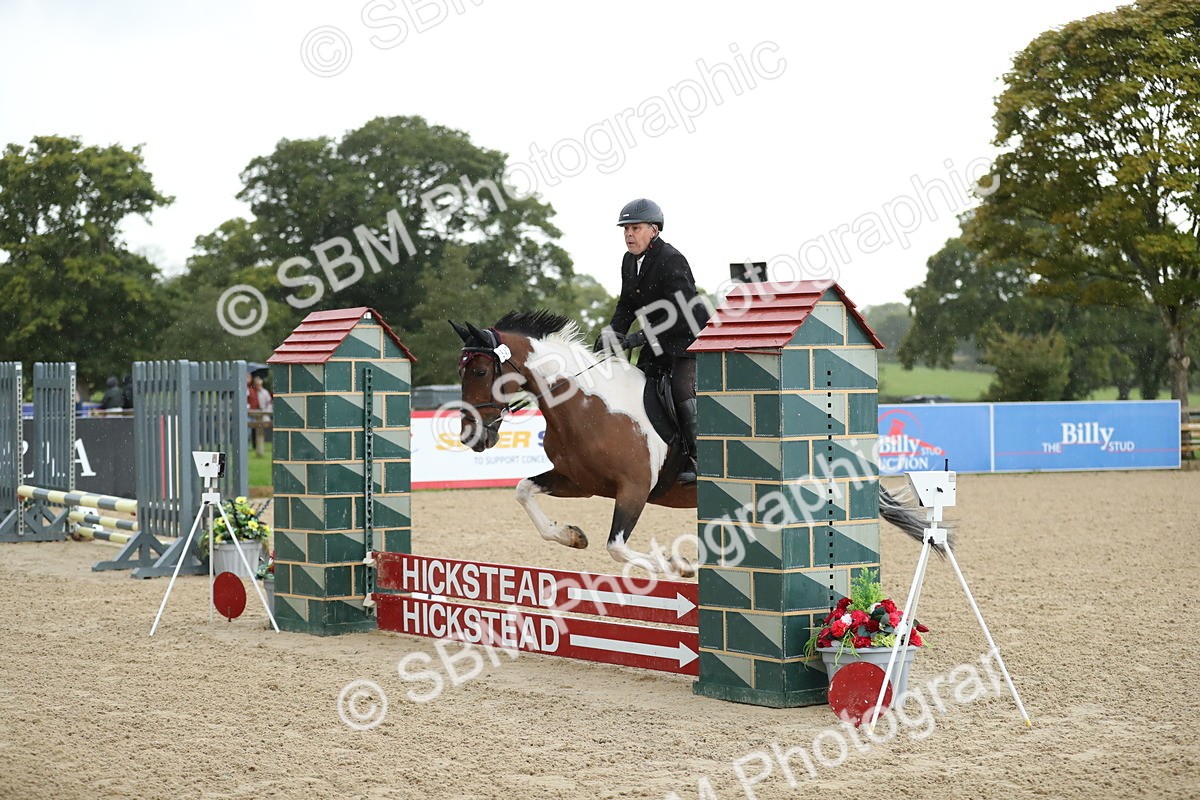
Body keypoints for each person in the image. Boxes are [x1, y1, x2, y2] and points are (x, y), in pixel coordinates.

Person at [596, 198, 703, 483]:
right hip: (657, 343)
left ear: (654, 230)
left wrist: (636, 338)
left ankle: (698, 457)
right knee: (634, 385)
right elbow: (626, 304)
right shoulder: (629, 261)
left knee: (681, 389)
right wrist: (613, 334)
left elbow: (681, 313)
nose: (629, 234)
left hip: (688, 340)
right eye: (625, 229)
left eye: (635, 228)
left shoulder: (671, 259)